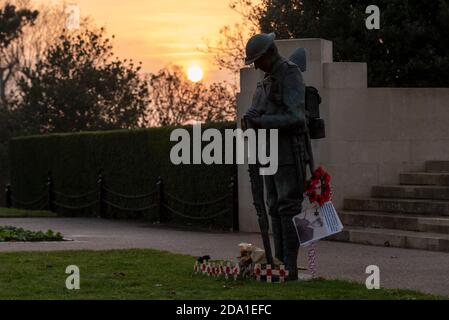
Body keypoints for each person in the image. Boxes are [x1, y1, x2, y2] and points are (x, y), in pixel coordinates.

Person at [244, 33, 312, 280]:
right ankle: (279, 263)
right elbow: (258, 111)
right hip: (268, 153)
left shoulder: (290, 73)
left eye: (258, 60)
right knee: (273, 207)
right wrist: (250, 120)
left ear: (269, 53)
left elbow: (297, 118)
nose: (256, 66)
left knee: (288, 208)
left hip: (287, 153)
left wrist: (262, 122)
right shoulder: (266, 80)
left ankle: (289, 267)